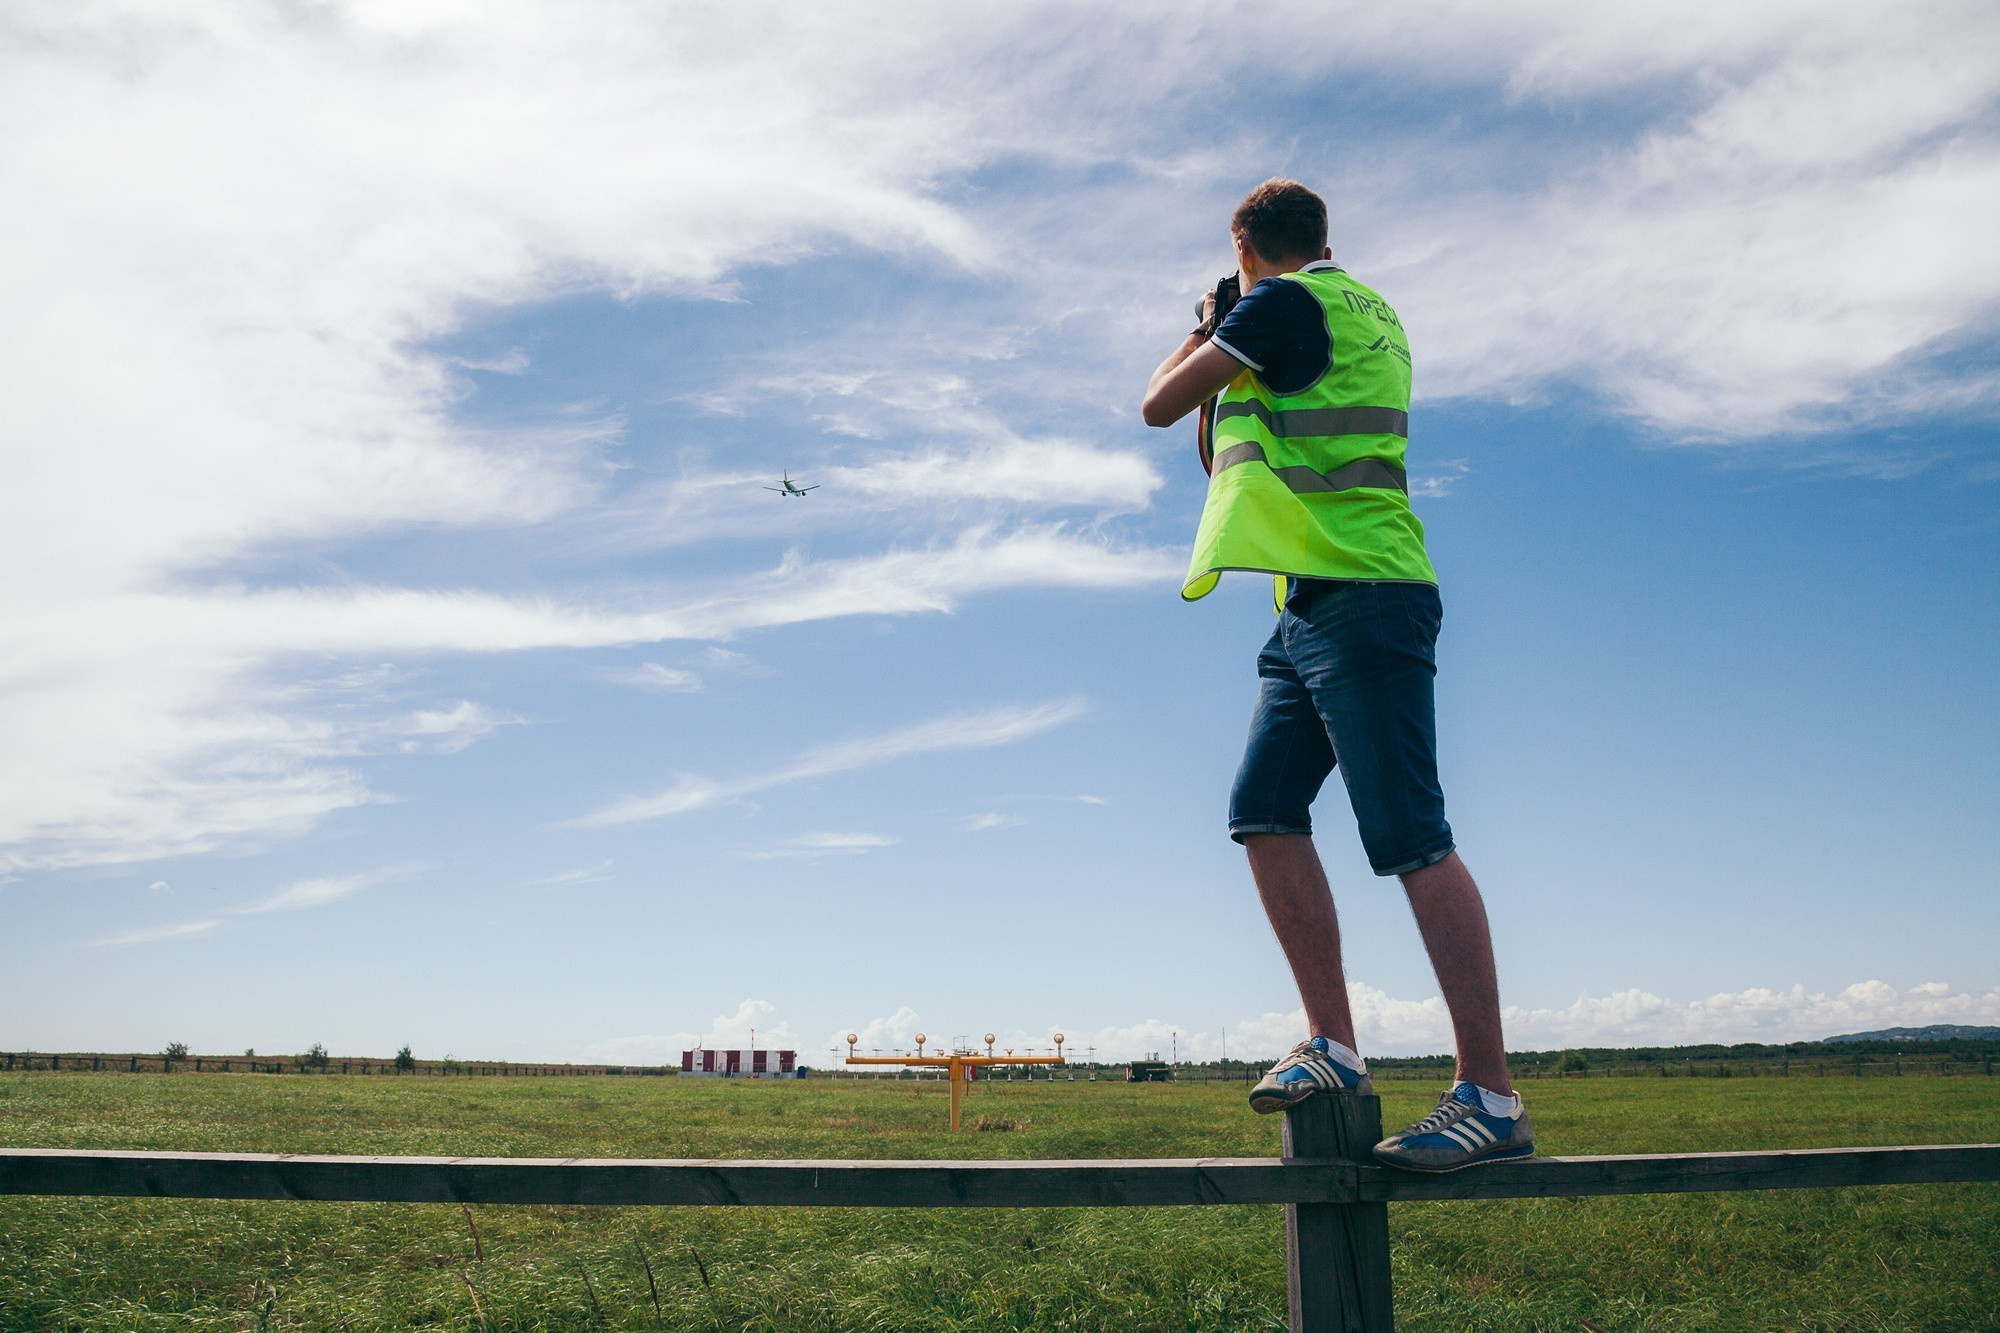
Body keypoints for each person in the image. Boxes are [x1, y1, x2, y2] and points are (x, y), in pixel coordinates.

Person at [1141, 179, 1531, 1172]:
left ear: (1246, 251)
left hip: (1363, 592)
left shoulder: (1281, 304)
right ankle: (1334, 1047)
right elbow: (1238, 445)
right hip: (1310, 601)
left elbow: (1155, 405)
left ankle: (1488, 1095)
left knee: (1409, 832)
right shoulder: (1367, 309)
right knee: (1262, 809)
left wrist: (1205, 325)